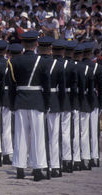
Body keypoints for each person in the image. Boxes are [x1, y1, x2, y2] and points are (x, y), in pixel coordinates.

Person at [8, 30, 50, 181]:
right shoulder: (43, 61)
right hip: (37, 100)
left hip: (20, 100)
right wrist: (47, 104)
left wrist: (12, 105)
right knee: (38, 136)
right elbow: (46, 85)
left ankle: (20, 168)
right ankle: (38, 169)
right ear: (36, 44)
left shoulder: (13, 61)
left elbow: (11, 87)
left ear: (23, 44)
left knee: (20, 134)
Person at [38, 37, 66, 178]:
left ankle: (40, 164)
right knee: (54, 136)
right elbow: (61, 89)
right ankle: (55, 166)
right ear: (50, 49)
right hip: (54, 101)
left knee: (39, 137)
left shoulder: (36, 62)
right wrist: (61, 104)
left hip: (38, 101)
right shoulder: (58, 65)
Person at [82, 42, 102, 168]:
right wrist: (100, 104)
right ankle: (94, 157)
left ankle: (84, 156)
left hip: (82, 100)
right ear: (90, 53)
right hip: (94, 100)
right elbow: (100, 89)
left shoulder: (78, 66)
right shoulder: (97, 68)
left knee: (83, 131)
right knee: (94, 131)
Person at [62, 40, 78, 173]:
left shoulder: (58, 64)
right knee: (68, 131)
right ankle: (68, 160)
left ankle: (60, 159)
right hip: (70, 100)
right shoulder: (75, 66)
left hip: (57, 99)